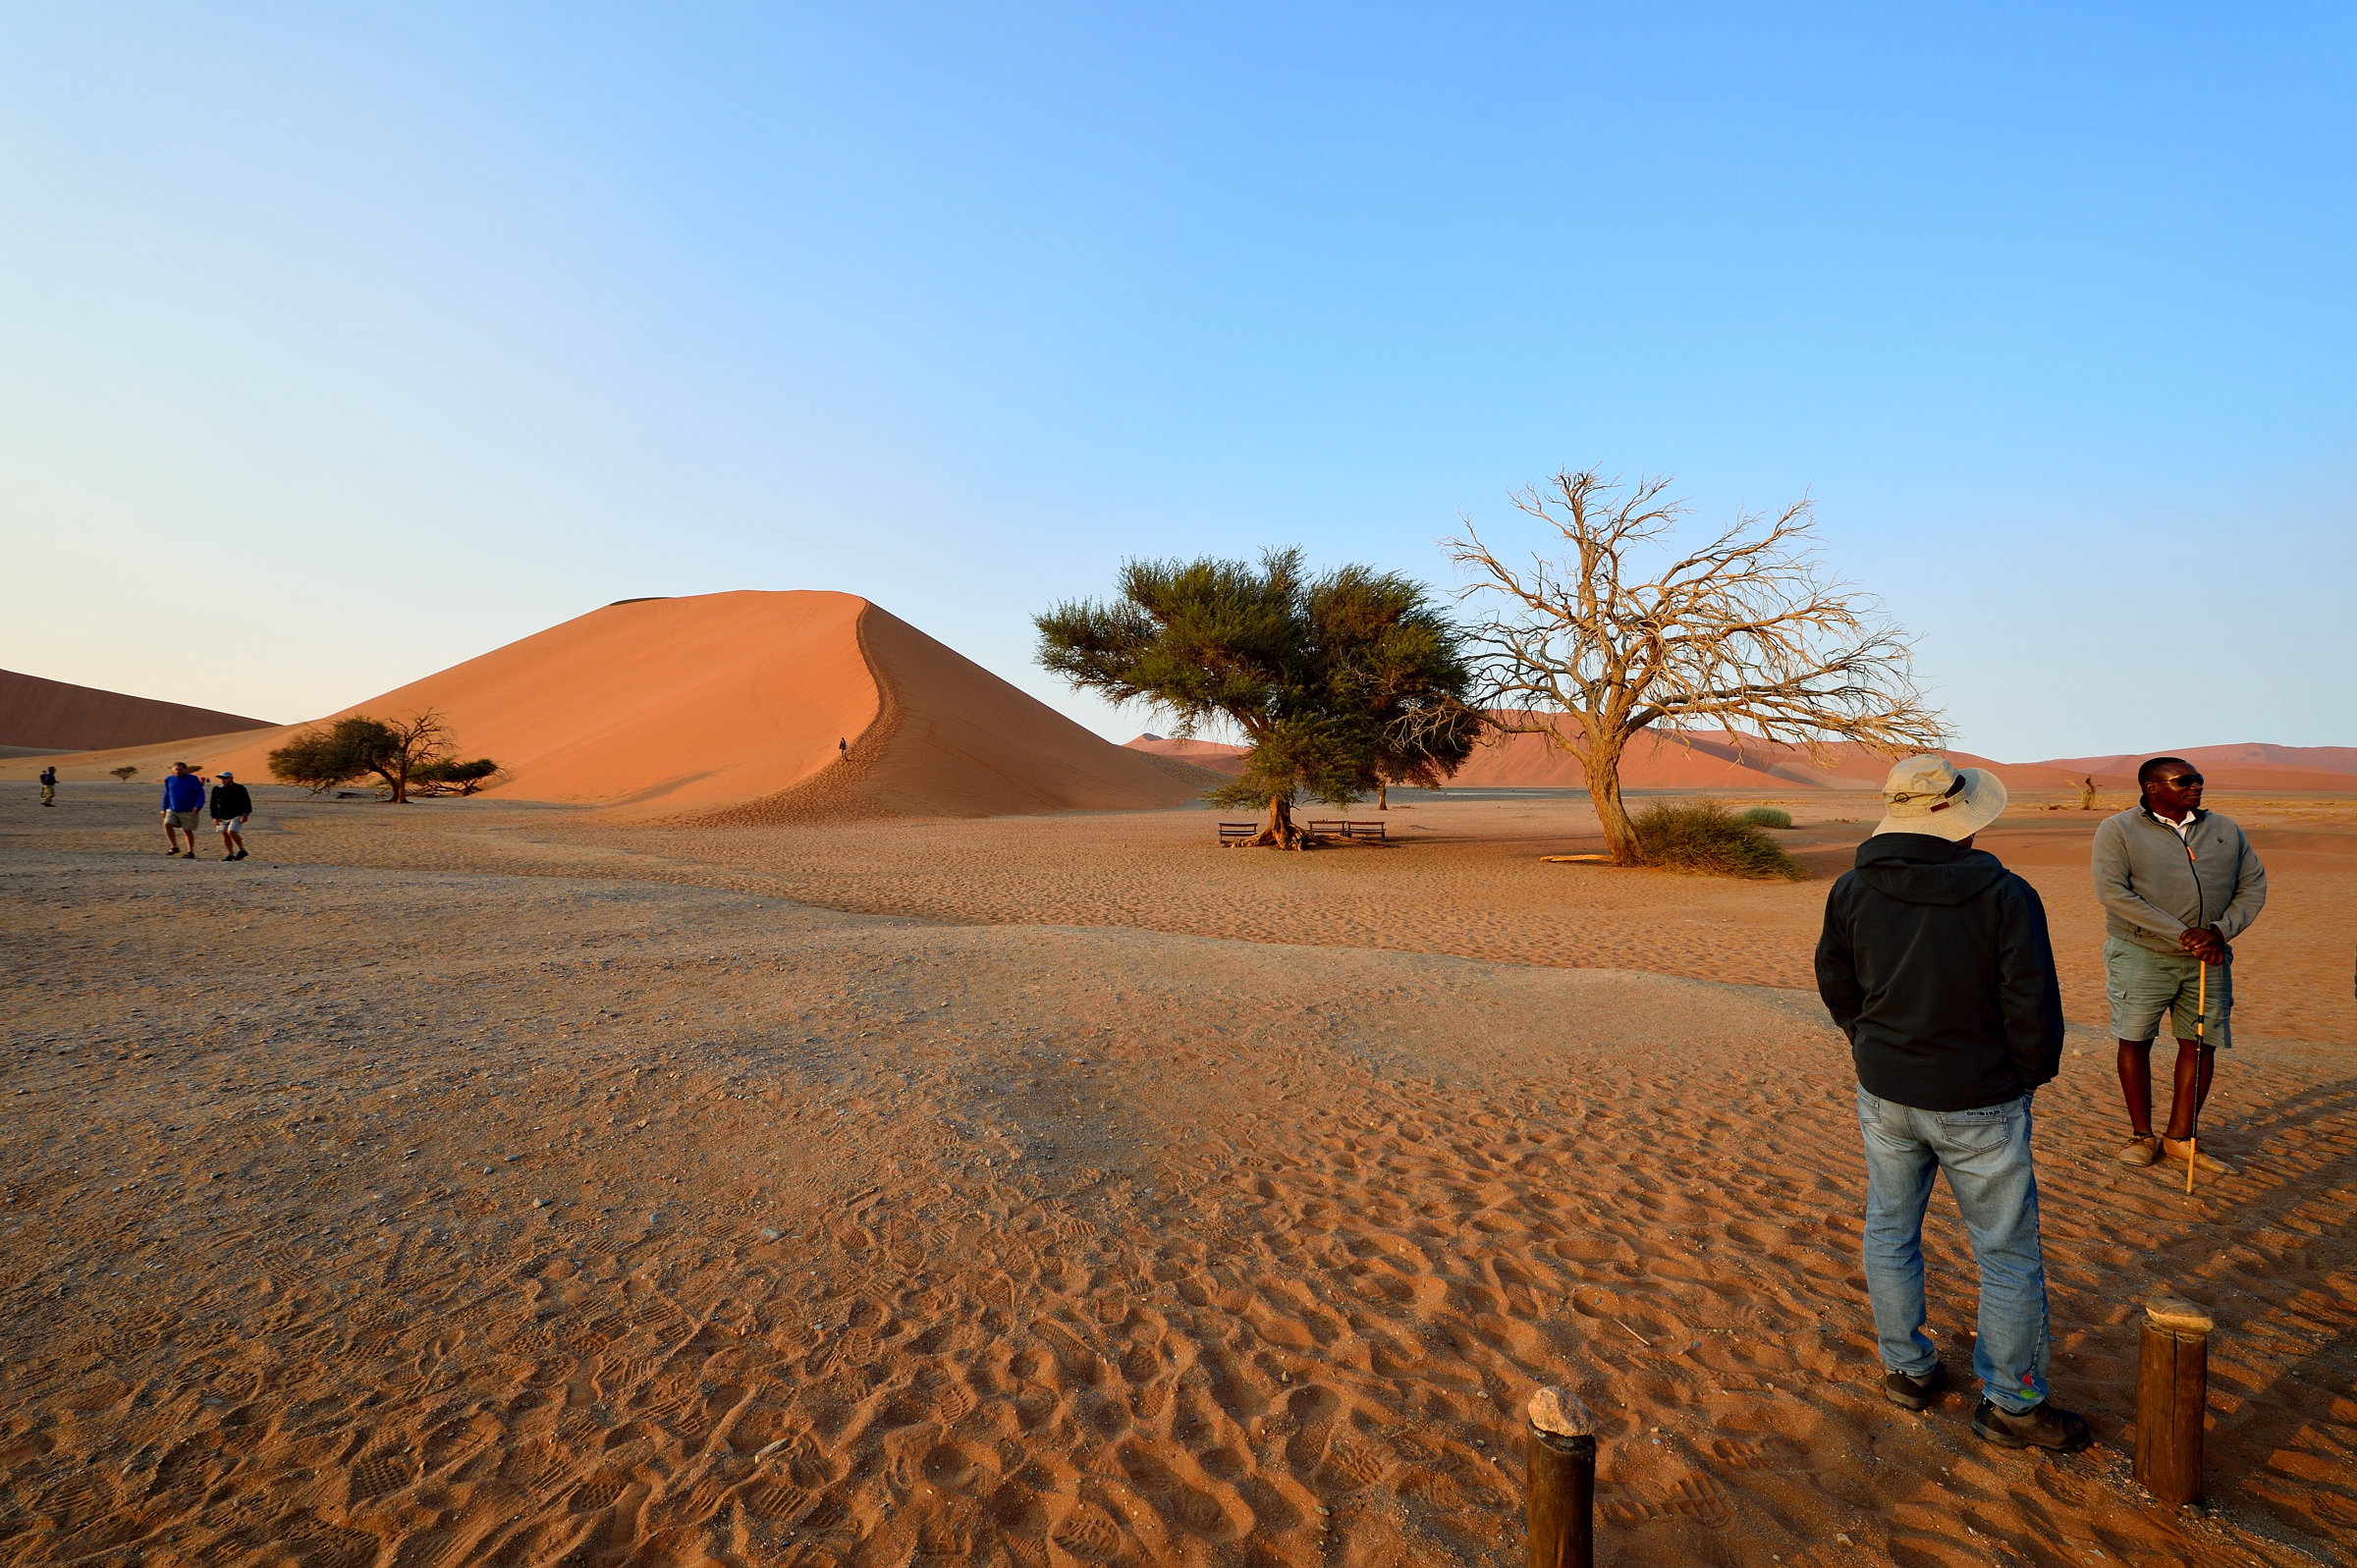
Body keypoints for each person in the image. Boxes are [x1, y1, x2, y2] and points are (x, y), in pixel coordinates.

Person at [1816, 755, 2090, 1453]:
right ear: (1962, 820)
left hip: (1886, 1093)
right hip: (1980, 1098)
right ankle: (2012, 1404)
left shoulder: (1852, 888)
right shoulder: (2005, 895)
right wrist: (2026, 1076)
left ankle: (1907, 1371)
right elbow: (2032, 1002)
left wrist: (1870, 1045)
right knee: (2006, 1253)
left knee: (1890, 1229)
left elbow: (1837, 984)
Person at [2092, 757, 2267, 1175]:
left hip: (2210, 956)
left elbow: (2253, 884)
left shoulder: (2224, 829)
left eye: (2199, 779)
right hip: (2142, 953)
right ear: (2152, 787)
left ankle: (2180, 1136)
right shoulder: (2118, 829)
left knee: (2201, 1043)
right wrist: (2183, 934)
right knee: (2135, 1039)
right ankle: (2141, 1135)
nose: (2196, 786)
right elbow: (2113, 893)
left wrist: (2219, 932)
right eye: (2184, 780)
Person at [159, 762, 206, 858]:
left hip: (188, 810)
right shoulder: (169, 779)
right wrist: (164, 808)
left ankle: (190, 851)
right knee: (167, 824)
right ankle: (174, 847)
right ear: (172, 770)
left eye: (180, 769)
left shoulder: (193, 779)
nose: (178, 771)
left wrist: (198, 805)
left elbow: (200, 794)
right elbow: (167, 795)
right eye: (176, 769)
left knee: (187, 831)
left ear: (185, 770)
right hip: (173, 809)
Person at [209, 770, 253, 861]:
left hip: (236, 814)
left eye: (225, 778)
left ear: (231, 778)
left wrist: (245, 814)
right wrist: (214, 816)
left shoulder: (239, 788)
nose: (223, 780)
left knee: (231, 832)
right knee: (224, 834)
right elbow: (213, 804)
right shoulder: (216, 789)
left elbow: (246, 801)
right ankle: (230, 854)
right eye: (221, 778)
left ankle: (242, 850)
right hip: (222, 815)